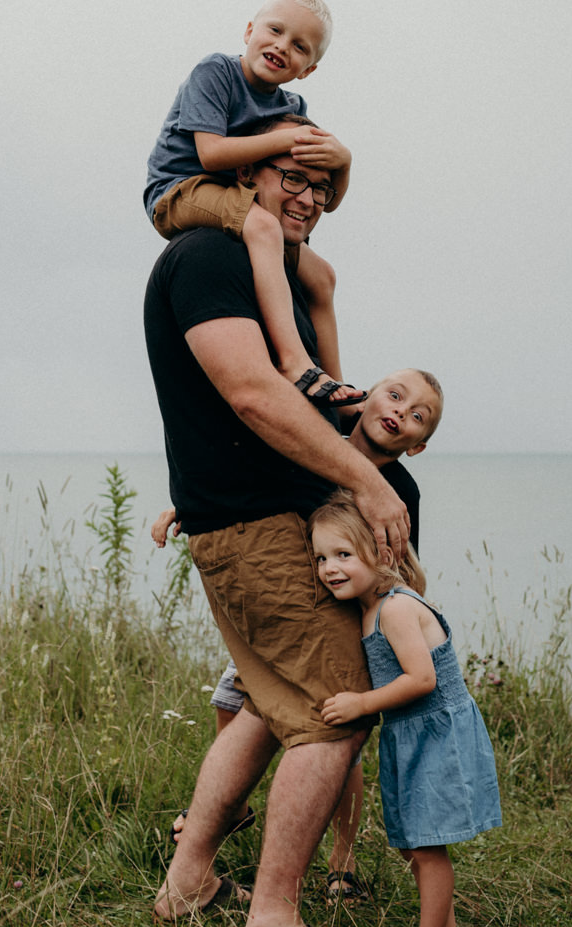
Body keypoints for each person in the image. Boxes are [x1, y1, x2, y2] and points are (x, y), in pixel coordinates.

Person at [145, 116, 410, 927]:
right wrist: (368, 486)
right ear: (246, 178)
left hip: (256, 518)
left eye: (321, 191)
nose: (306, 199)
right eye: (289, 179)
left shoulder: (273, 276)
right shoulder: (211, 258)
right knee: (334, 708)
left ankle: (189, 882)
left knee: (271, 704)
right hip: (255, 529)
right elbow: (254, 394)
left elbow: (280, 403)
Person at [156, 368, 444, 897]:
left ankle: (342, 862)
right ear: (365, 397)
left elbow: (395, 568)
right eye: (396, 395)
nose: (401, 411)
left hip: (341, 618)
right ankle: (231, 812)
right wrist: (189, 507)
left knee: (338, 739)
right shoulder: (313, 444)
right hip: (284, 606)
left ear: (418, 445)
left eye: (417, 415)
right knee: (235, 703)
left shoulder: (395, 489)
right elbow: (252, 491)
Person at [311, 495, 502, 927]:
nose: (329, 568)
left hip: (435, 734)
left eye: (342, 555)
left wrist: (360, 703)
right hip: (411, 736)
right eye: (320, 558)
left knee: (427, 848)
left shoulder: (394, 609)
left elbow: (422, 679)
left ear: (381, 552)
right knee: (415, 844)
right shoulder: (369, 607)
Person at [144, 0, 363, 405]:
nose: (282, 46)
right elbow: (210, 153)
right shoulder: (216, 73)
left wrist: (345, 162)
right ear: (249, 31)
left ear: (308, 69)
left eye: (300, 46)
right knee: (264, 226)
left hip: (233, 194)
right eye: (275, 30)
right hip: (179, 189)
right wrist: (294, 136)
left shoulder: (291, 105)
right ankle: (295, 363)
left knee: (322, 276)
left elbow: (326, 200)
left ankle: (342, 395)